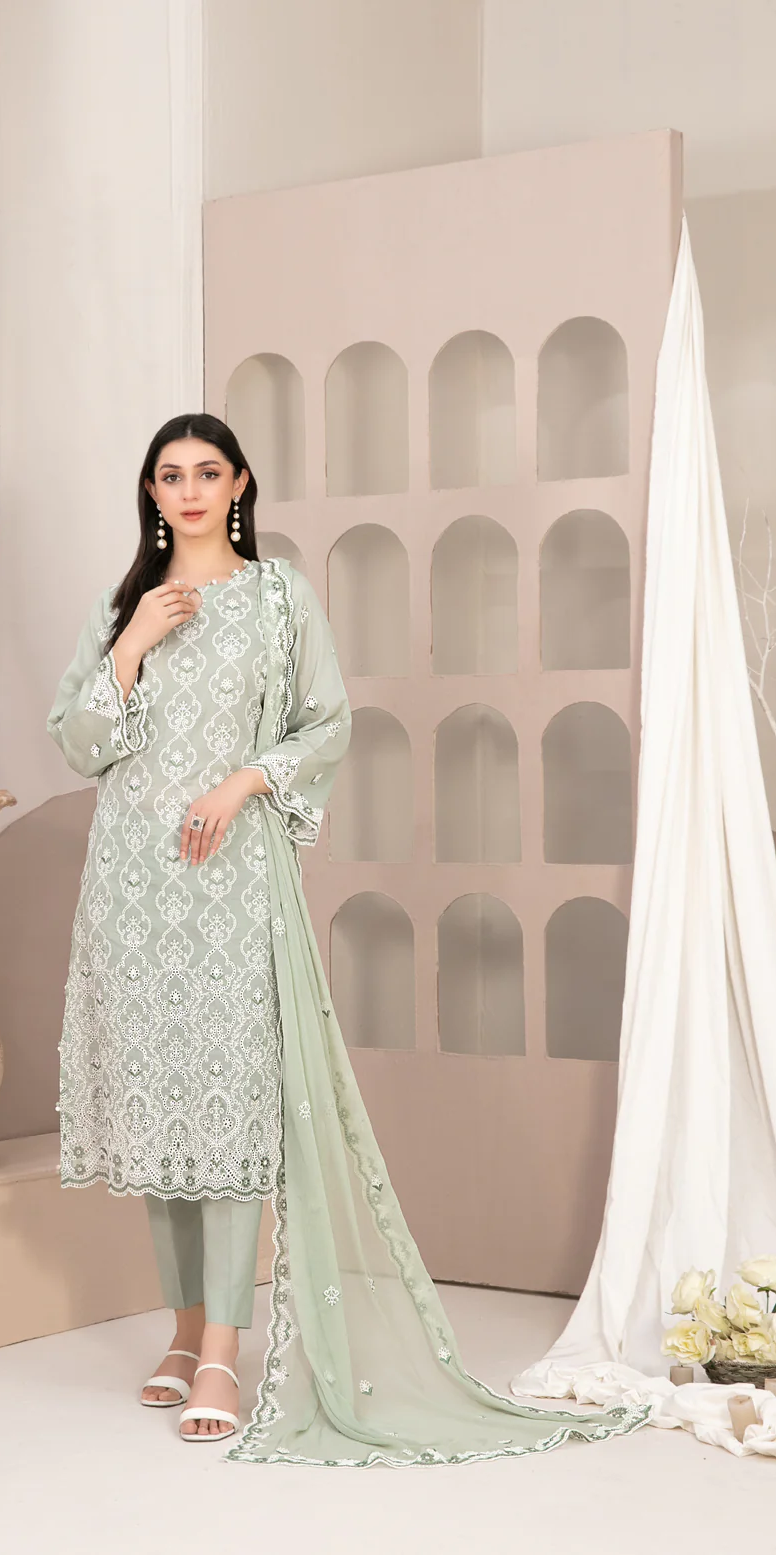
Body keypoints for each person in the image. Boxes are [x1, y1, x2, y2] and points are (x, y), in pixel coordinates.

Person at [47, 411, 650, 1462]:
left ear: (239, 483)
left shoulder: (279, 597)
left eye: (206, 472)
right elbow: (79, 744)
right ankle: (182, 1328)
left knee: (228, 1109)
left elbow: (326, 722)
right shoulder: (124, 605)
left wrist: (243, 780)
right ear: (150, 493)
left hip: (229, 880)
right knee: (158, 1110)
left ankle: (225, 1347)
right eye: (168, 475)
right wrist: (132, 645)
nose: (187, 490)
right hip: (132, 888)